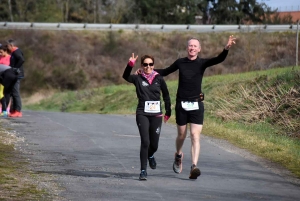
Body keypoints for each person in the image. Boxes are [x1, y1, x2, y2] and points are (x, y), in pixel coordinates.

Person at [152, 35, 236, 179]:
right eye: (190, 46)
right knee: (182, 135)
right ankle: (178, 155)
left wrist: (226, 49)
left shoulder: (202, 63)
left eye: (195, 46)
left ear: (199, 49)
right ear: (187, 48)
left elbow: (218, 59)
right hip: (181, 104)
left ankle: (194, 166)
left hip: (197, 103)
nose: (192, 48)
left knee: (195, 136)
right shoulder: (180, 62)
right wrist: (148, 70)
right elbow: (165, 71)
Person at [123, 53, 171, 180]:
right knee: (145, 141)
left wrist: (168, 111)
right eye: (145, 64)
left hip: (156, 115)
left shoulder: (159, 79)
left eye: (150, 64)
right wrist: (130, 65)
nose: (148, 67)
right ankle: (143, 170)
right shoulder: (137, 78)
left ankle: (150, 155)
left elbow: (166, 95)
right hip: (142, 113)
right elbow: (125, 76)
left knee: (154, 145)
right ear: (142, 66)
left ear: (153, 65)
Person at [6, 39, 25, 118]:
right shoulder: (13, 52)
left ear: (11, 45)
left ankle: (18, 111)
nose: (7, 48)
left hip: (17, 75)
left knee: (15, 92)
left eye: (7, 46)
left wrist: (16, 68)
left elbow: (21, 59)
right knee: (13, 93)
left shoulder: (17, 52)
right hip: (14, 74)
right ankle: (14, 110)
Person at [0, 44, 12, 117]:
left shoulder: (10, 58)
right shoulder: (0, 57)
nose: (0, 54)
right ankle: (1, 109)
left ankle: (7, 109)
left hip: (7, 77)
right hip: (0, 77)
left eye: (1, 52)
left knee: (7, 93)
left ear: (5, 51)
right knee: (0, 93)